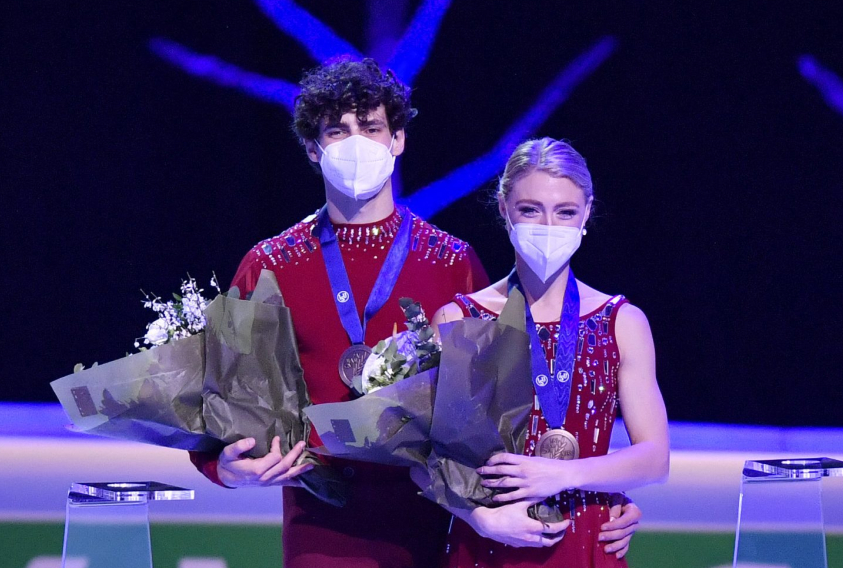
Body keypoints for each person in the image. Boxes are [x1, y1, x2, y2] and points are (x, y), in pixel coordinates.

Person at [189, 59, 642, 567]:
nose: (356, 143)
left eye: (371, 127)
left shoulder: (453, 263)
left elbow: (513, 410)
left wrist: (597, 497)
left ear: (398, 138)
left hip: (439, 531)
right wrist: (226, 469)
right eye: (338, 131)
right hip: (319, 533)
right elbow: (217, 403)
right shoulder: (268, 265)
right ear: (314, 150)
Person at [432, 138, 669, 567]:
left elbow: (654, 458)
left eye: (564, 212)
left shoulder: (622, 321)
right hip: (488, 541)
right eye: (530, 209)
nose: (548, 225)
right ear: (504, 208)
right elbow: (426, 456)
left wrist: (563, 474)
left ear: (586, 213)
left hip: (586, 543)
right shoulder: (458, 318)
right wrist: (480, 517)